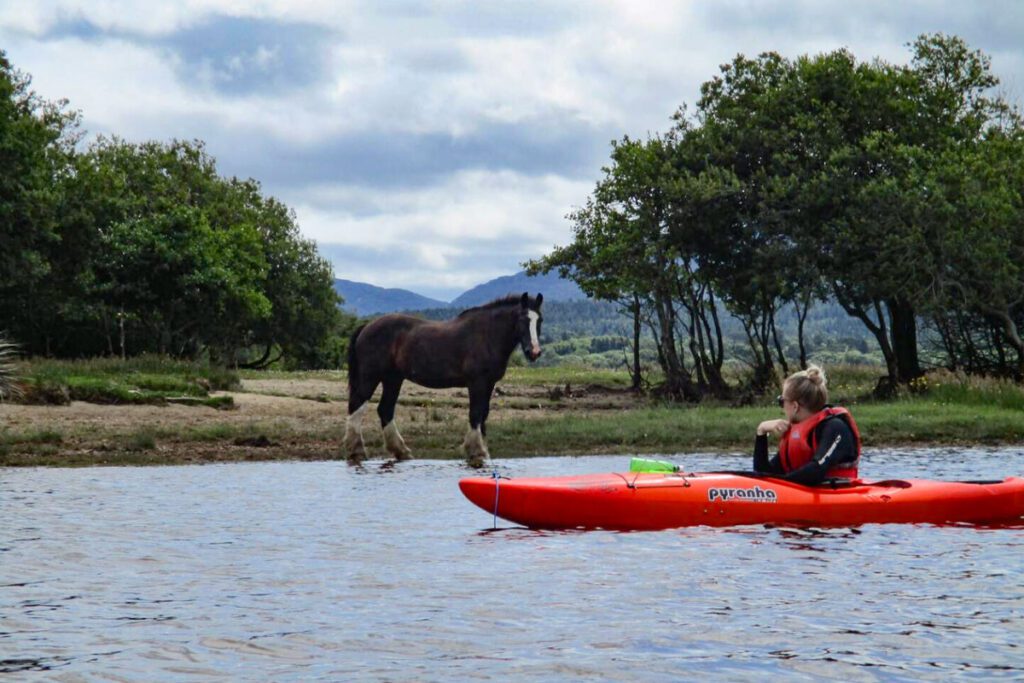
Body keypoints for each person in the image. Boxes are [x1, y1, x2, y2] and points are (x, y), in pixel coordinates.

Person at [753, 364, 861, 485]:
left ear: (795, 406)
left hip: (840, 496)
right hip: (807, 495)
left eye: (781, 401)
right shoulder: (795, 434)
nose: (782, 407)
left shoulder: (835, 428)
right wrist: (761, 431)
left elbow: (816, 470)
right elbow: (764, 475)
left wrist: (782, 484)